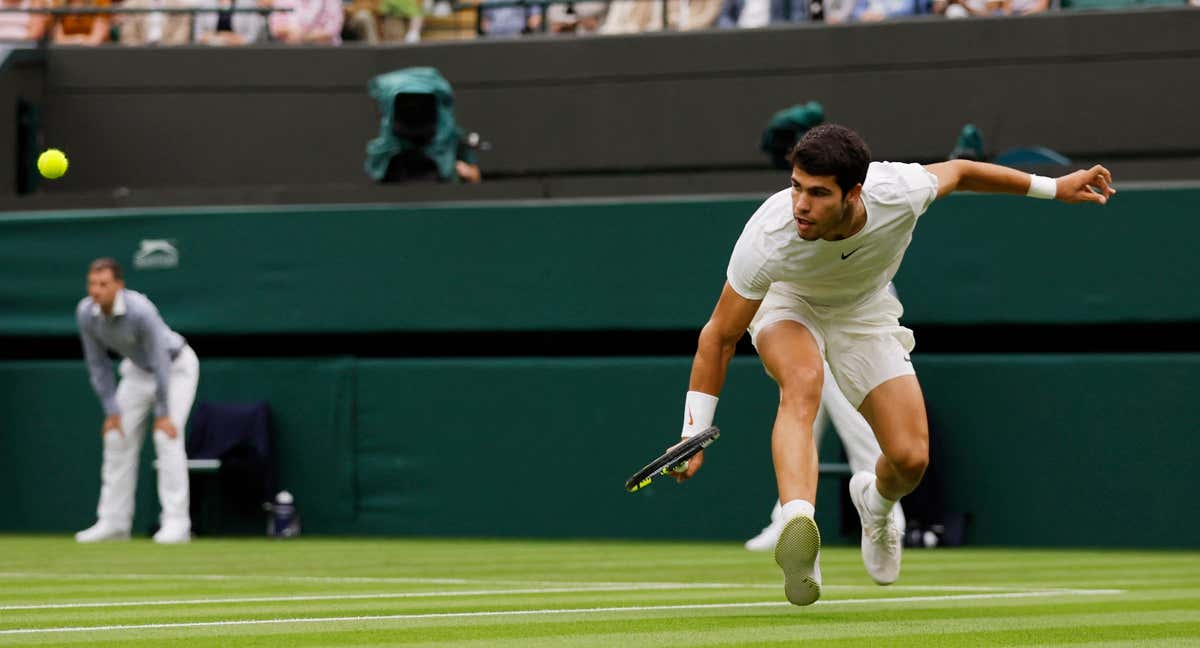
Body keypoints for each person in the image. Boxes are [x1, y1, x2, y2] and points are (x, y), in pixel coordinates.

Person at [671, 124, 1114, 606]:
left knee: (910, 459)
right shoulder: (768, 236)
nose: (801, 204)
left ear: (854, 193)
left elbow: (962, 171)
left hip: (863, 312)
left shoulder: (898, 191)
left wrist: (1053, 187)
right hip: (788, 304)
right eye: (796, 186)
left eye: (819, 193)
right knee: (803, 381)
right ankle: (799, 529)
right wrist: (694, 432)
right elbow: (718, 336)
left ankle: (876, 505)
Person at [75, 258, 199, 544]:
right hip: (135, 372)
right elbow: (98, 365)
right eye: (92, 284)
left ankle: (176, 523)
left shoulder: (141, 310)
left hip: (175, 367)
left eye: (103, 284)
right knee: (116, 437)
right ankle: (114, 523)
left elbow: (160, 360)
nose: (96, 291)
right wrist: (111, 410)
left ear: (119, 285)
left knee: (166, 438)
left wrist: (164, 412)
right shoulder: (85, 313)